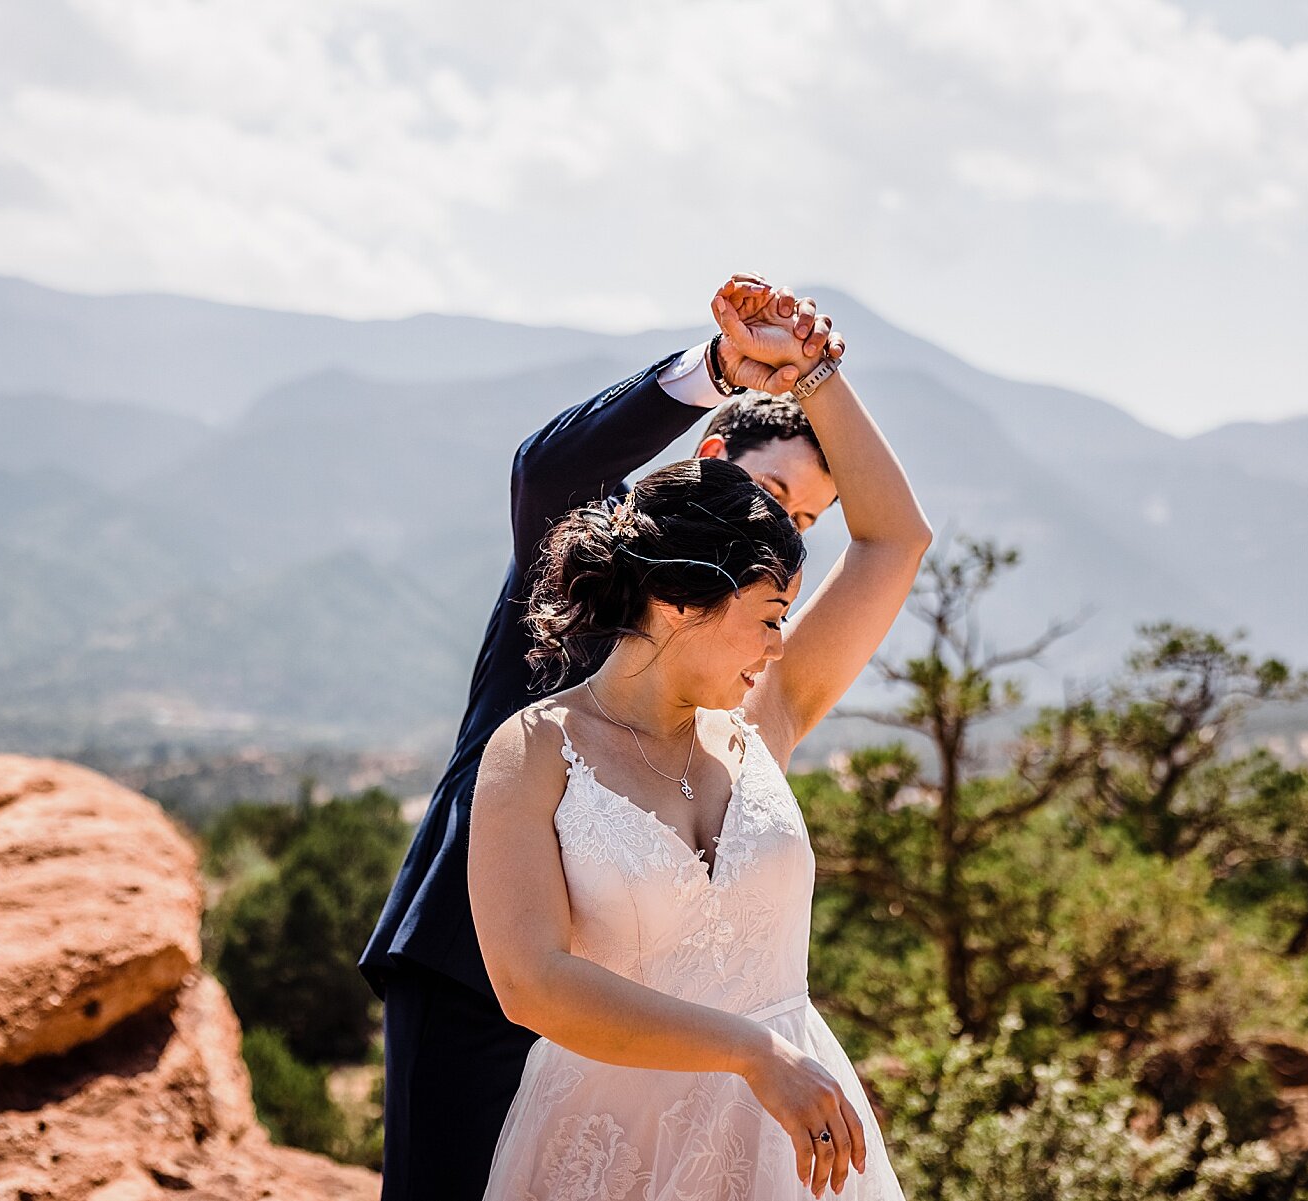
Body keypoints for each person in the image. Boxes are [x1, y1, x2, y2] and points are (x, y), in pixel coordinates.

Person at [360, 275, 846, 1199]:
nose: (778, 528)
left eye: (803, 520)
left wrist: (827, 382)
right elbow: (547, 469)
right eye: (774, 492)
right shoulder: (587, 574)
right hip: (475, 976)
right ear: (711, 452)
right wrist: (720, 367)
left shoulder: (750, 656)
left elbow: (896, 542)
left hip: (654, 1040)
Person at [469, 296, 932, 1198]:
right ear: (680, 603)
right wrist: (752, 1052)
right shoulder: (533, 750)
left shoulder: (767, 716)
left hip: (788, 1141)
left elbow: (895, 541)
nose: (777, 647)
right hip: (611, 1144)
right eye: (768, 619)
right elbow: (532, 983)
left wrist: (817, 373)